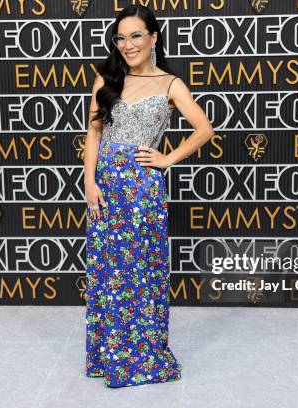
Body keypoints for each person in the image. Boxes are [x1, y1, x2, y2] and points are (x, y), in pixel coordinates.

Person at [83, 4, 214, 388]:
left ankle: (140, 357)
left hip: (142, 193)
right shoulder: (106, 79)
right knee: (108, 272)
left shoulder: (171, 84)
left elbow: (204, 128)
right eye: (121, 37)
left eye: (136, 35)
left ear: (153, 37)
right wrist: (89, 182)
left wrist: (168, 158)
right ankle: (108, 355)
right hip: (105, 190)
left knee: (140, 273)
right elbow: (93, 134)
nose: (128, 44)